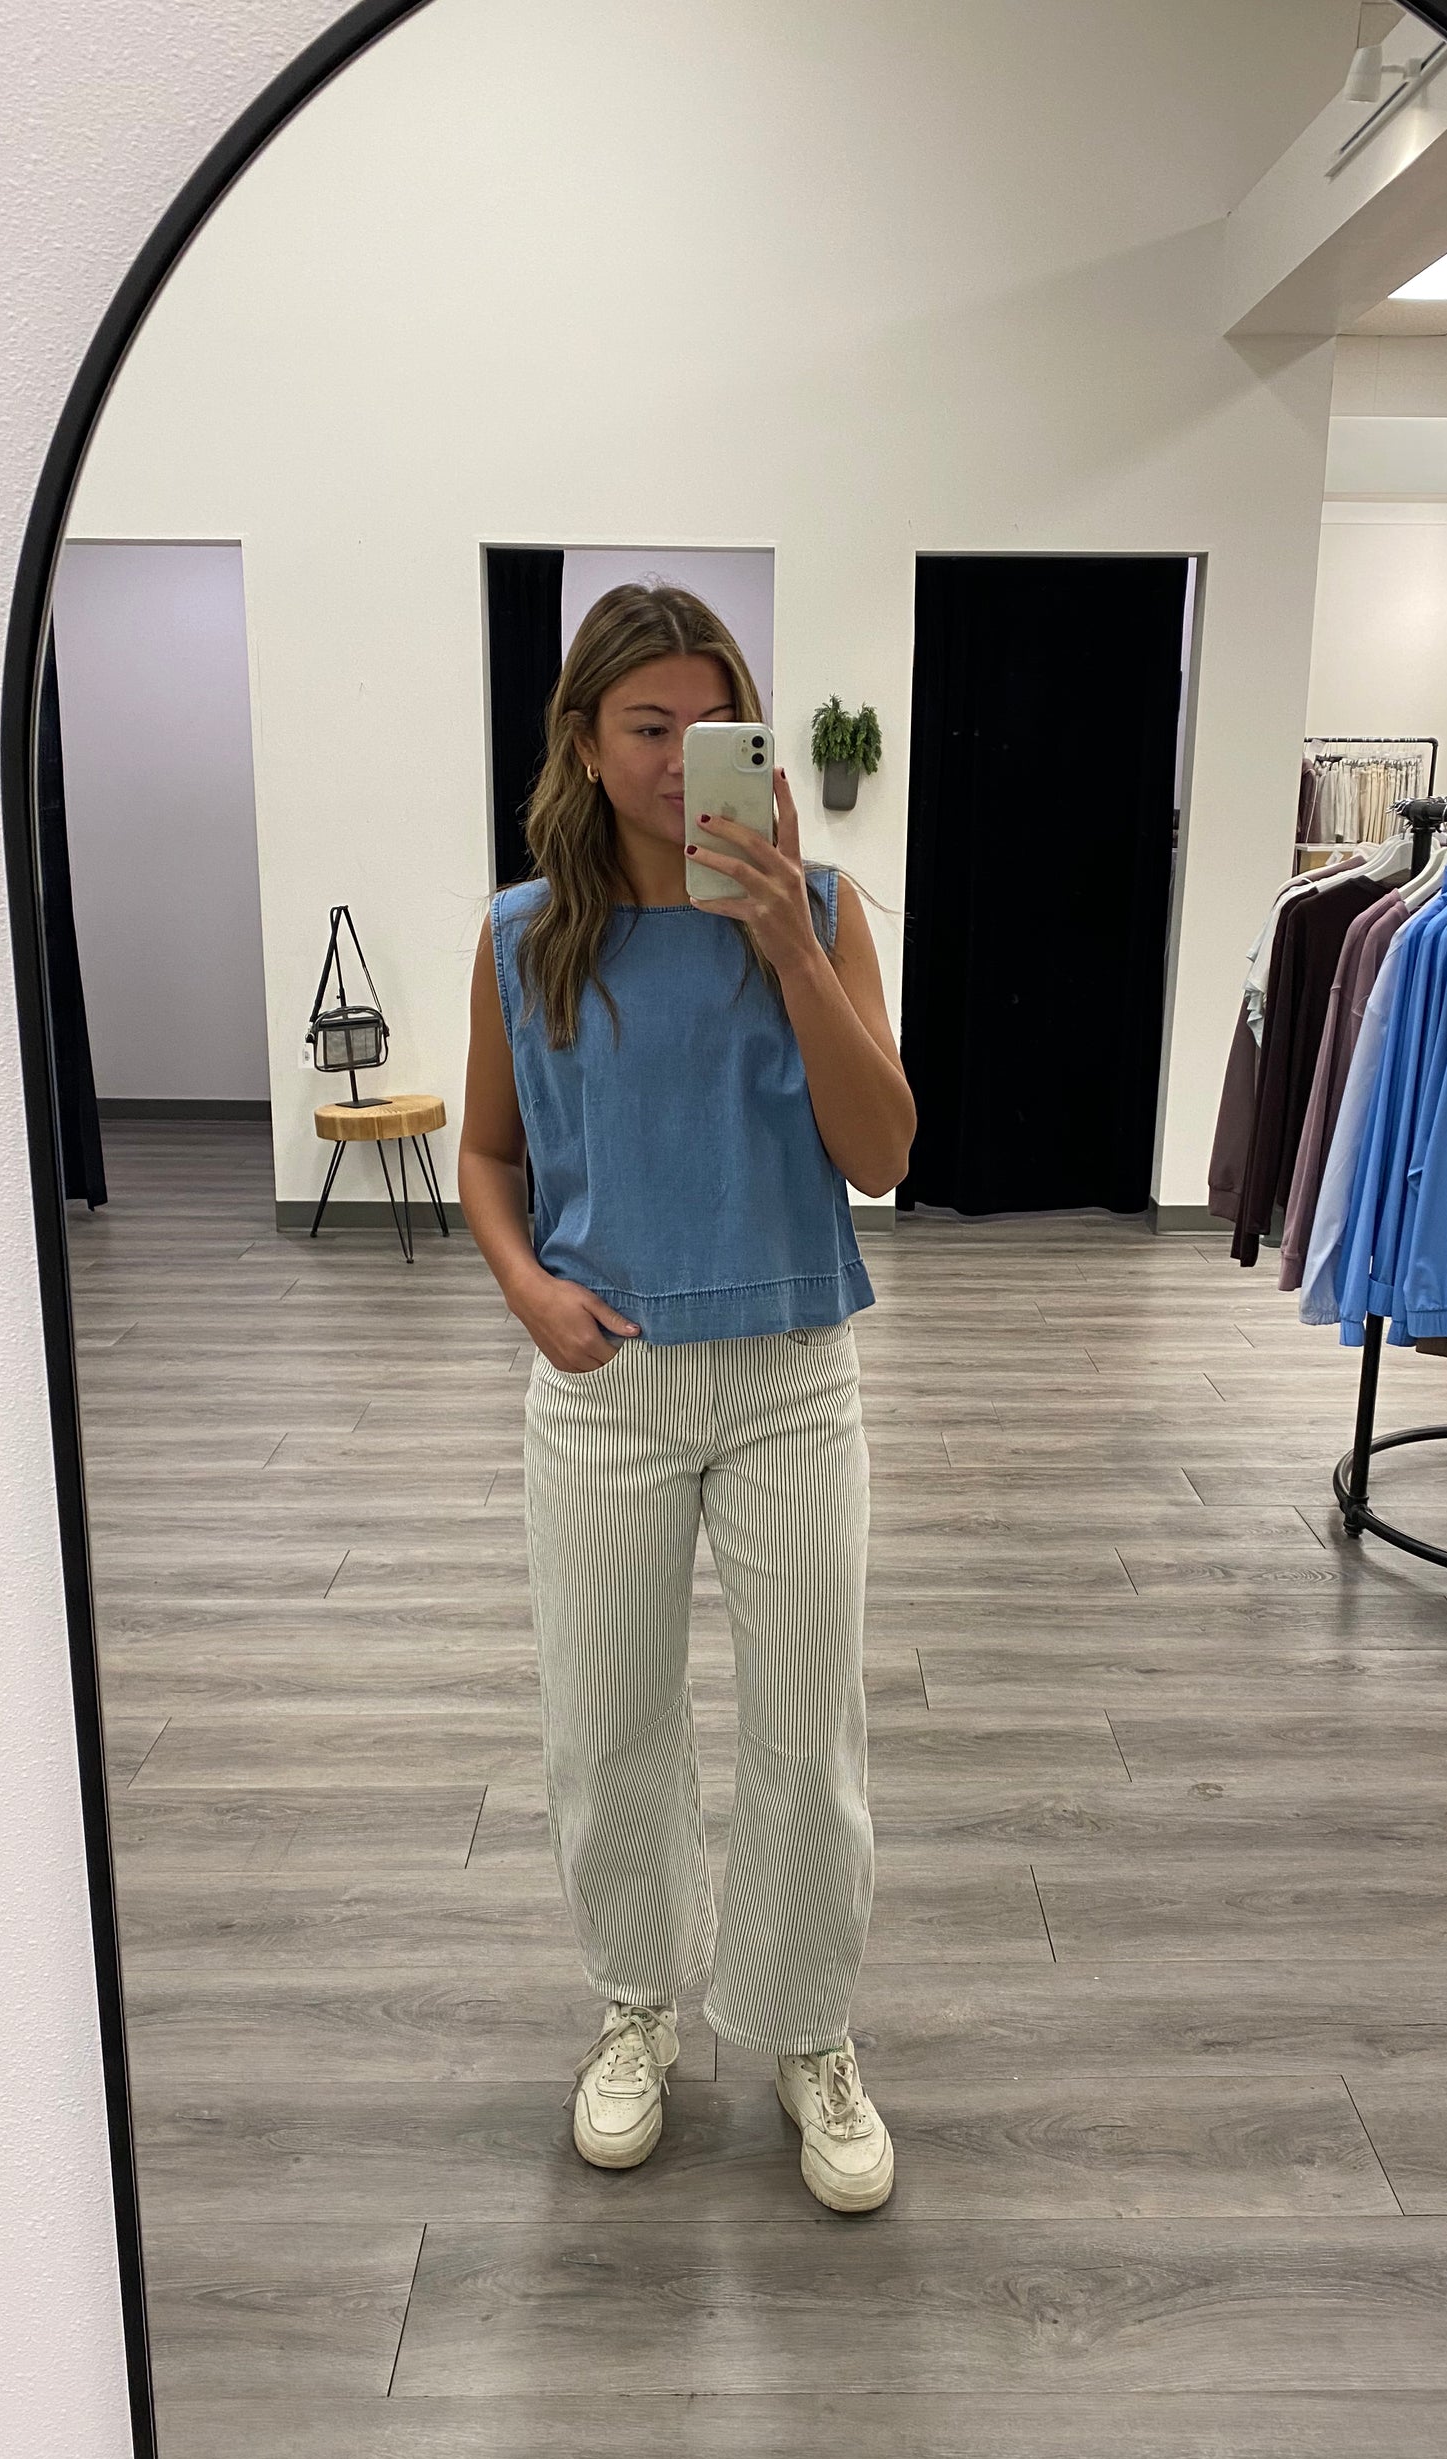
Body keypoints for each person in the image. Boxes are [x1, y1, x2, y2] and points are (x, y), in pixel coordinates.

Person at [458, 581, 916, 2213]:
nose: (676, 761)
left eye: (712, 729)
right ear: (583, 742)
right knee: (608, 1723)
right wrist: (524, 1290)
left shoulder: (826, 912)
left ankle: (804, 2026)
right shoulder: (526, 936)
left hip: (791, 1370)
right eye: (646, 727)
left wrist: (785, 939)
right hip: (604, 1384)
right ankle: (636, 2006)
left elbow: (881, 1153)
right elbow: (487, 1158)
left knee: (807, 1728)